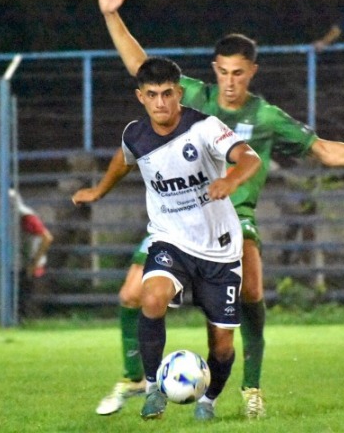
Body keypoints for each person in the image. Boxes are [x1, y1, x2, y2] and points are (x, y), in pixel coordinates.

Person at [91, 0, 344, 419]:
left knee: (252, 290)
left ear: (251, 72)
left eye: (238, 73)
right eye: (222, 72)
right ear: (213, 71)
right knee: (130, 294)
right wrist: (112, 17)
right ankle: (136, 376)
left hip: (235, 220)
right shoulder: (192, 97)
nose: (229, 81)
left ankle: (250, 387)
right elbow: (140, 65)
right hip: (178, 221)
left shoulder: (268, 117)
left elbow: (324, 151)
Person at [72, 57, 261, 421]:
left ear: (179, 93)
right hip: (170, 239)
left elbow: (249, 158)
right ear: (141, 96)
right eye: (153, 95)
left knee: (221, 347)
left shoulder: (205, 128)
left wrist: (231, 180)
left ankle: (208, 401)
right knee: (152, 297)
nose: (161, 102)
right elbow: (124, 160)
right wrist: (99, 191)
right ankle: (154, 387)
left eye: (168, 94)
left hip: (218, 248)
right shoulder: (136, 135)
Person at [9, 189, 54, 318]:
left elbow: (47, 238)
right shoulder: (12, 218)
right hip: (20, 262)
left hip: (29, 262)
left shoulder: (27, 218)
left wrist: (34, 262)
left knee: (26, 299)